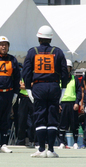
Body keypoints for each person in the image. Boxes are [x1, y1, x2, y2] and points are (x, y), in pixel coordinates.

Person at [22, 25, 68, 158]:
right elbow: (64, 72)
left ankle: (41, 149)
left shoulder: (32, 52)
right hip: (54, 86)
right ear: (51, 38)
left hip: (38, 87)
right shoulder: (58, 52)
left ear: (39, 38)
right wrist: (63, 87)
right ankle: (52, 149)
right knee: (52, 117)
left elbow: (26, 72)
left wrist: (29, 88)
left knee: (40, 116)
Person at [58, 59, 82, 149]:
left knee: (74, 123)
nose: (66, 69)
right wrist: (58, 104)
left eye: (67, 67)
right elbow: (56, 92)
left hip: (72, 104)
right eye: (64, 67)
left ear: (70, 68)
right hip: (62, 104)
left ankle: (75, 142)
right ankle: (61, 142)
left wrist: (77, 103)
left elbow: (79, 91)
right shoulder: (59, 79)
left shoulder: (74, 79)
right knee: (62, 124)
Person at [16, 63, 35, 147]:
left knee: (33, 120)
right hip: (22, 98)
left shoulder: (34, 74)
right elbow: (19, 85)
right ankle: (21, 140)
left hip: (32, 98)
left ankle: (33, 140)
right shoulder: (20, 74)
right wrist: (27, 85)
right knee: (21, 120)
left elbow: (33, 85)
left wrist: (25, 85)